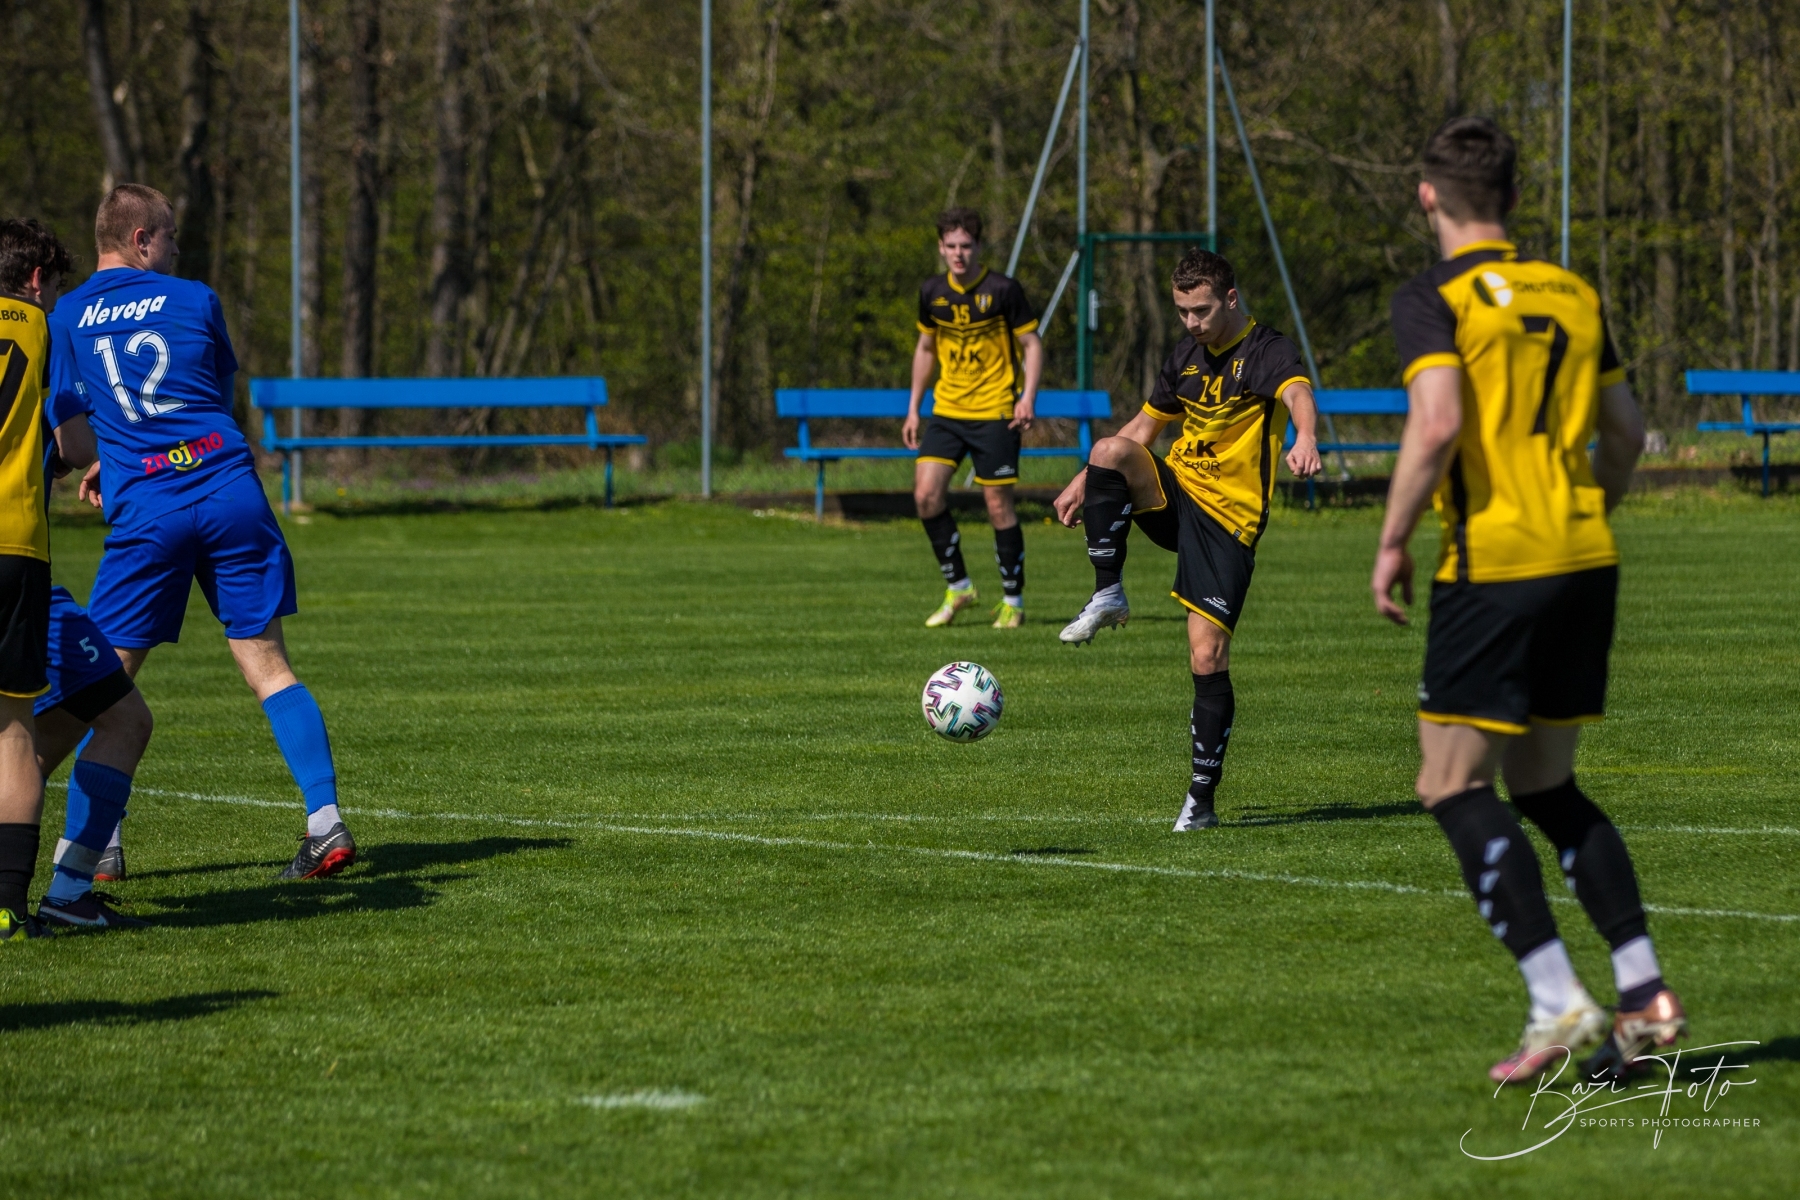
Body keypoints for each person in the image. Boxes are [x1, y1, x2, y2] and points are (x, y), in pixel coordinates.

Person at [1373, 117, 1684, 1085]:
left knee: (1450, 786)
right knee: (1546, 786)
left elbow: (1437, 424)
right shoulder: (1574, 291)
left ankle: (1558, 998)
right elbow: (1625, 432)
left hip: (1497, 562)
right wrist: (1588, 512)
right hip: (1586, 554)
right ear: (1512, 197)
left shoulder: (1436, 296)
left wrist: (1392, 540)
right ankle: (1644, 990)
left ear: (1428, 196)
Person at [46, 185, 355, 881]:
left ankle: (94, 851)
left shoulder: (65, 316)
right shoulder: (195, 299)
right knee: (267, 663)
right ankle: (325, 822)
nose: (177, 249)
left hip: (149, 506)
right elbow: (208, 394)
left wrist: (106, 458)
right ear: (141, 240)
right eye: (171, 236)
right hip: (227, 489)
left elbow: (76, 427)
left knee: (105, 684)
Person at [1054, 248, 1322, 830]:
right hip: (1177, 494)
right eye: (1182, 312)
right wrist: (1085, 478)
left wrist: (1305, 437)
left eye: (1201, 311)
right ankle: (1108, 592)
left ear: (1230, 299)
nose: (1192, 323)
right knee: (1109, 450)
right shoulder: (1186, 355)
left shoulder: (1267, 349)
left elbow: (1299, 394)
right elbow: (1143, 428)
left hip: (1227, 521)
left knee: (1206, 656)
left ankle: (1200, 801)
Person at [902, 208, 1043, 629]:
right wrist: (913, 408)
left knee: (998, 505)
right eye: (951, 246)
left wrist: (1027, 398)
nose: (958, 254)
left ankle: (1013, 601)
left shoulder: (1003, 290)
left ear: (979, 246)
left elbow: (1032, 345)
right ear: (941, 248)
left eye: (966, 245)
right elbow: (925, 349)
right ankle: (959, 587)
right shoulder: (932, 292)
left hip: (995, 413)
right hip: (947, 412)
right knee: (926, 496)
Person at [0, 220, 68, 941]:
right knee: (12, 727)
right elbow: (71, 438)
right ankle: (7, 907)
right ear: (37, 279)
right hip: (15, 539)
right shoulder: (44, 328)